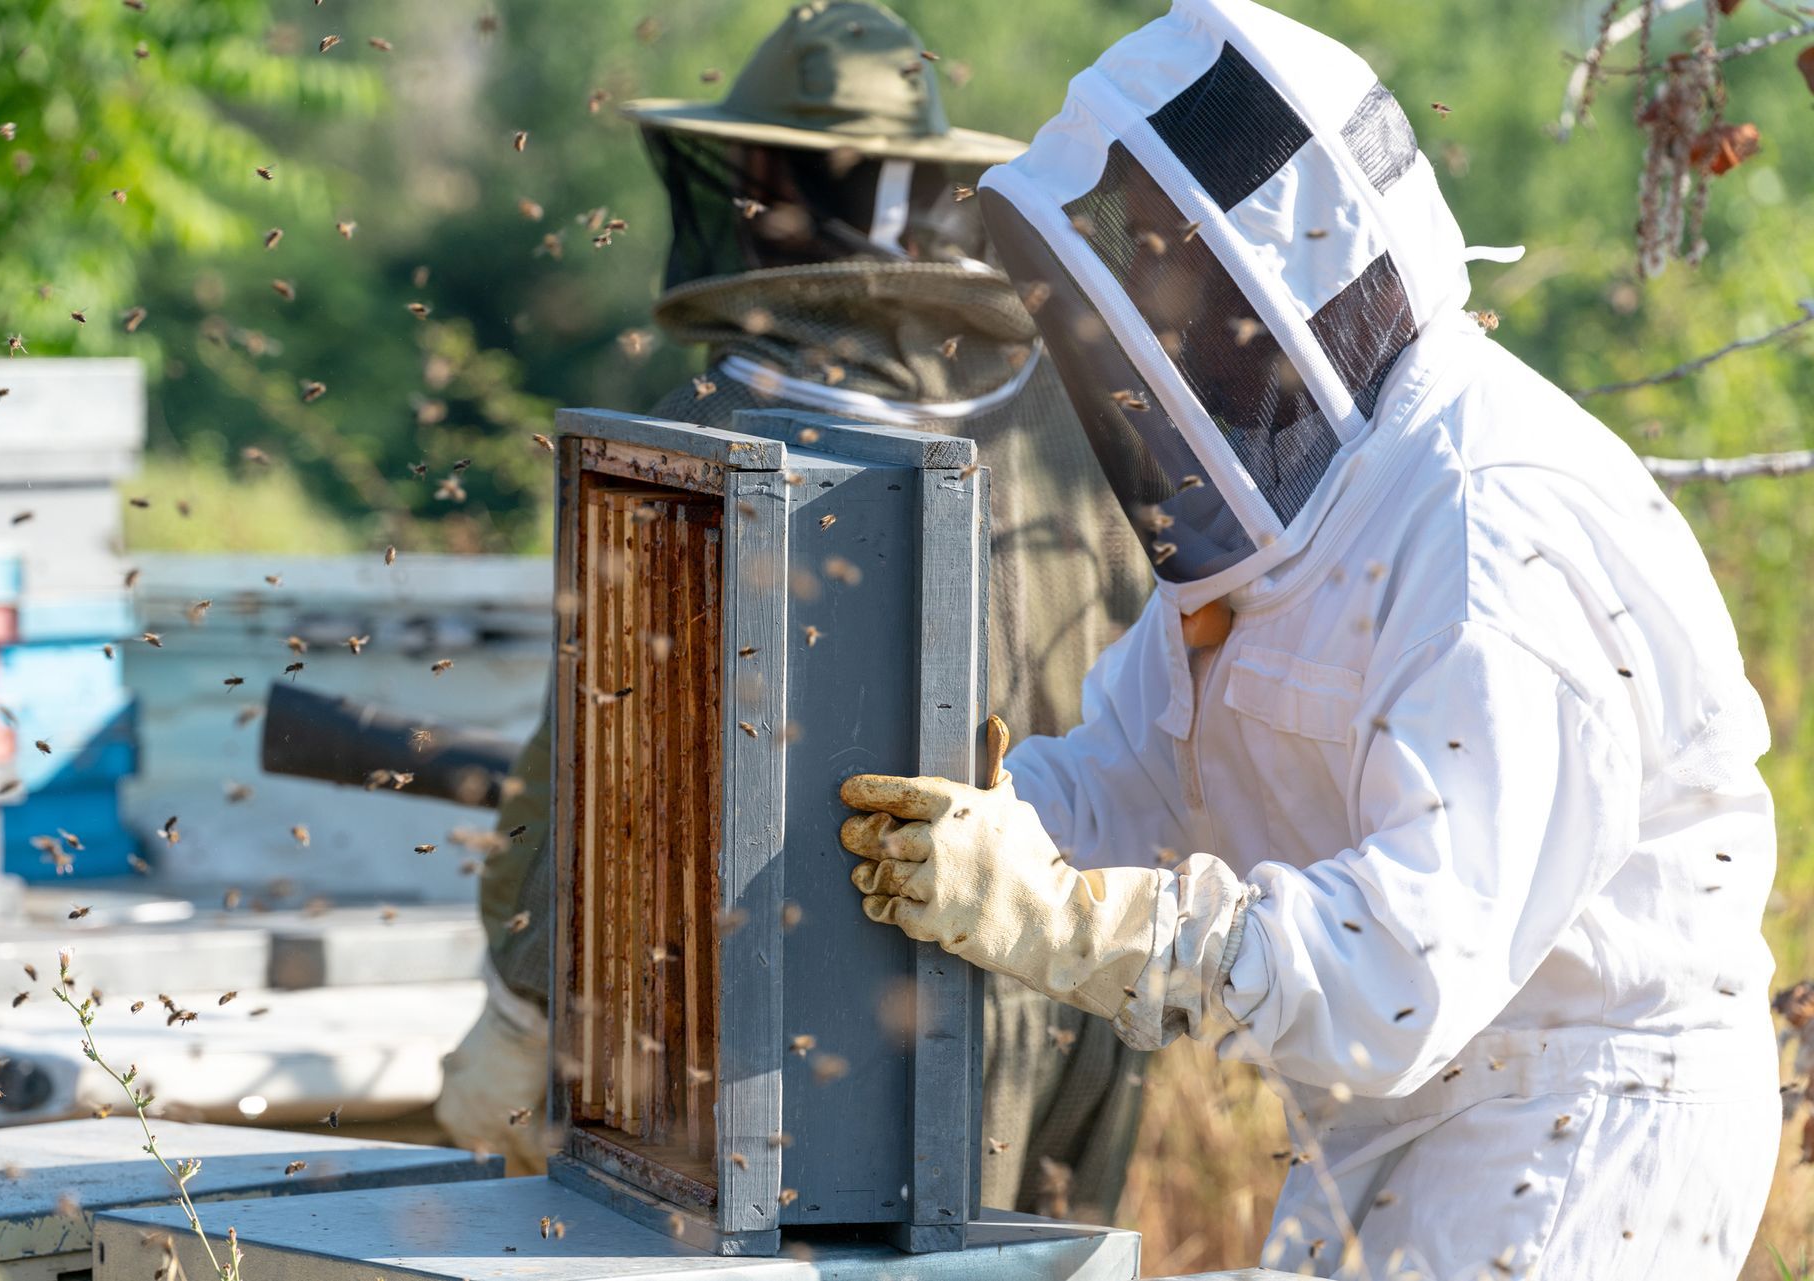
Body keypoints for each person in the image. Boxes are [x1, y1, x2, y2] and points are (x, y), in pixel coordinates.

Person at [837, 1, 1780, 1276]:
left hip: (1577, 1134)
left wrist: (1061, 917)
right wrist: (968, 822)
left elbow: (1403, 970)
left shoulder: (1490, 526)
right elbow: (1136, 773)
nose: (1150, 334)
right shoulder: (1291, 526)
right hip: (1391, 1126)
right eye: (1137, 290)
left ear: (1285, 274)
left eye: (1175, 282)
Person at [436, 1, 1158, 1221]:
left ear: (752, 173)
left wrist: (520, 1004)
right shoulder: (1077, 423)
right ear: (928, 191)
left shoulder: (699, 436)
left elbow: (593, 777)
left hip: (807, 1044)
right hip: (1077, 993)